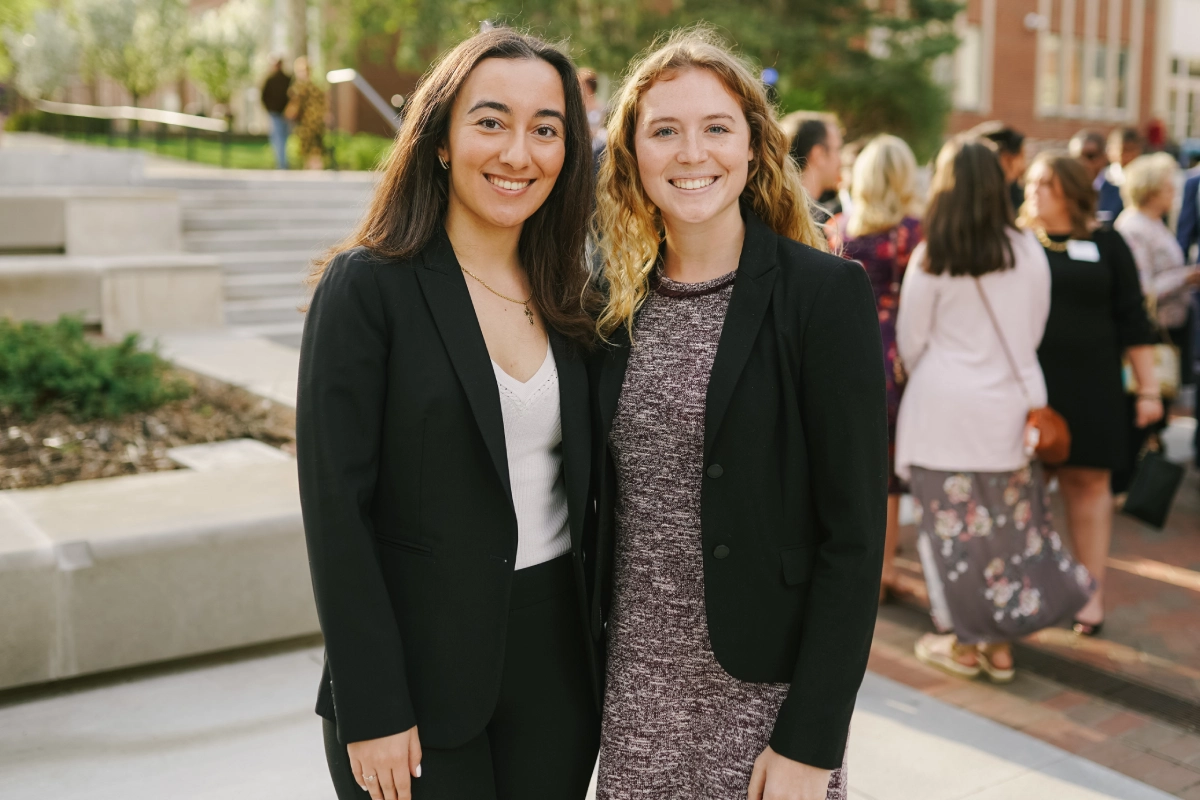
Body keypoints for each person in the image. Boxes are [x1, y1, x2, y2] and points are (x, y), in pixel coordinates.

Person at [296, 29, 601, 800]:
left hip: (556, 669)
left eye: (546, 129)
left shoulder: (575, 297)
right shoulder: (367, 288)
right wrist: (372, 704)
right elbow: (336, 511)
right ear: (440, 138)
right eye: (491, 121)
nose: (518, 153)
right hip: (415, 673)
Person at [592, 27, 886, 800]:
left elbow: (854, 539)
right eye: (665, 131)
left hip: (766, 709)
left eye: (716, 128)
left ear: (753, 148)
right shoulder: (606, 310)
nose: (692, 153)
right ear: (631, 156)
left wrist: (811, 742)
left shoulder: (823, 296)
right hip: (633, 699)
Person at [896, 138, 1093, 682]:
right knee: (1005, 535)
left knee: (952, 538)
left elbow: (912, 340)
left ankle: (963, 645)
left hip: (941, 409)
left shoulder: (933, 251)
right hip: (1007, 407)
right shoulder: (1027, 250)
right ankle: (1000, 649)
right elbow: (1034, 329)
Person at [1022, 151, 1162, 637]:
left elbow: (1133, 319)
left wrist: (1148, 390)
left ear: (1070, 191)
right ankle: (1033, 589)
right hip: (1033, 388)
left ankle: (1091, 592)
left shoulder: (1108, 242)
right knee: (1027, 491)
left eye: (1044, 183)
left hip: (1095, 387)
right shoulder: (1020, 243)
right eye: (1030, 183)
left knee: (1089, 487)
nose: (1032, 191)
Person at [826, 134, 922, 603]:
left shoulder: (839, 228)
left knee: (854, 466)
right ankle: (883, 572)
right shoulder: (912, 232)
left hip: (847, 351)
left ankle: (859, 567)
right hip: (896, 354)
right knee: (888, 473)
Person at [1116, 153, 1198, 385]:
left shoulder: (1155, 223)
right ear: (1149, 189)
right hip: (1150, 332)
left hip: (1168, 328)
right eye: (1167, 186)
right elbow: (1141, 288)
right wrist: (1186, 277)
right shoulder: (1134, 228)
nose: (1173, 190)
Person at [781, 110, 844, 222]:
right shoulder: (803, 221)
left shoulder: (781, 207)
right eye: (838, 149)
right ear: (818, 155)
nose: (841, 161)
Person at [970, 122, 1027, 214]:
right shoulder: (974, 194)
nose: (1023, 166)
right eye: (1021, 156)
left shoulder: (1018, 194)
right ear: (1005, 158)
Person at [1097, 127, 1144, 225]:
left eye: (1131, 150)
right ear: (1110, 151)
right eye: (1123, 150)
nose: (1127, 156)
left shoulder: (1144, 181)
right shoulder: (1104, 179)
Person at [288, 57, 327, 170]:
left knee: (313, 149)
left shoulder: (299, 88)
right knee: (312, 150)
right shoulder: (312, 87)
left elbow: (293, 108)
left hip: (310, 124)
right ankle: (314, 170)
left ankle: (314, 171)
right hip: (310, 123)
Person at [261, 56, 292, 170]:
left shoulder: (285, 79)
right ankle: (282, 163)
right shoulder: (272, 79)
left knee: (280, 138)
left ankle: (282, 163)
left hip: (284, 113)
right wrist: (270, 109)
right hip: (277, 113)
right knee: (280, 138)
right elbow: (264, 97)